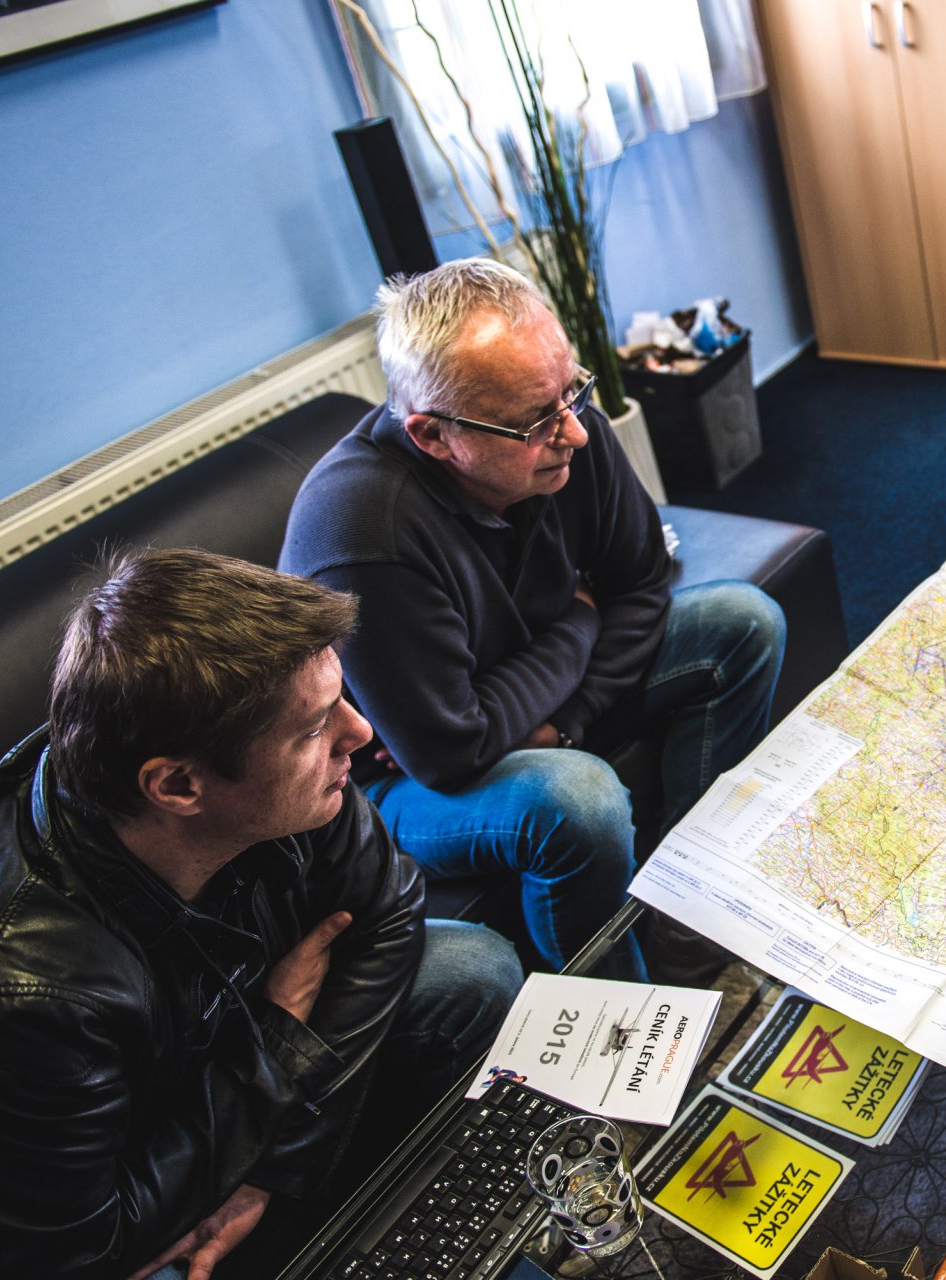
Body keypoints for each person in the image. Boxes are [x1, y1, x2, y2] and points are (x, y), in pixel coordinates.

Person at [0, 549, 524, 1280]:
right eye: (314, 727)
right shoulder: (9, 990)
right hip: (33, 1209)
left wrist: (269, 1171)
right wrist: (276, 1041)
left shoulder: (281, 787)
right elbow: (79, 1250)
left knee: (472, 972)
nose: (359, 733)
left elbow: (390, 910)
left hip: (203, 1064)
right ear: (178, 786)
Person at [280, 259, 784, 982]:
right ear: (432, 435)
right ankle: (614, 1013)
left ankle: (690, 914)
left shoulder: (564, 427)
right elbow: (450, 753)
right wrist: (579, 621)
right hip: (394, 787)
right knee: (577, 799)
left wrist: (564, 723)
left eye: (571, 391)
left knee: (743, 621)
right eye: (534, 420)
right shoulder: (360, 532)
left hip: (519, 704)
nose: (574, 432)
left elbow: (641, 580)